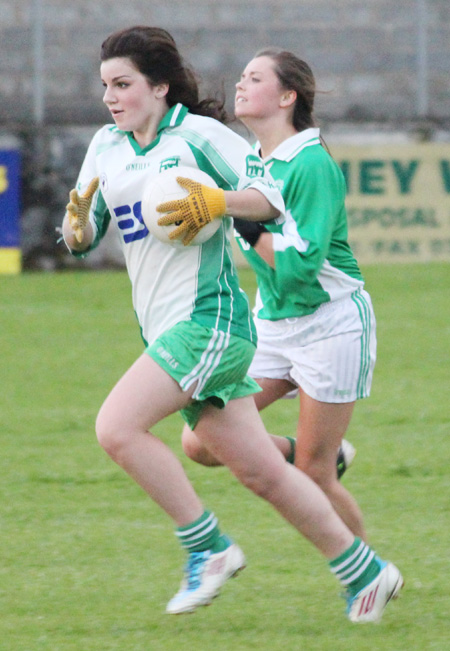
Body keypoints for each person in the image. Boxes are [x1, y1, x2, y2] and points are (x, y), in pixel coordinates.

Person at [62, 26, 402, 622]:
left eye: (124, 85)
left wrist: (217, 202)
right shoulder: (105, 146)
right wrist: (76, 229)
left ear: (160, 86)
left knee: (117, 427)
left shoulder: (200, 135)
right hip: (163, 326)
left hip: (210, 321)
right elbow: (83, 236)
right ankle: (365, 572)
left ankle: (207, 548)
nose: (112, 98)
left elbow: (267, 195)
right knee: (262, 472)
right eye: (106, 87)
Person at [182, 48, 379, 542]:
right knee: (200, 440)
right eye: (241, 76)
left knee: (314, 478)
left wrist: (238, 219)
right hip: (271, 325)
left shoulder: (310, 163)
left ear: (288, 97)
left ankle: (369, 573)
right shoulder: (252, 159)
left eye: (254, 78)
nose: (240, 85)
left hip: (329, 325)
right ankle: (313, 450)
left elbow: (298, 268)